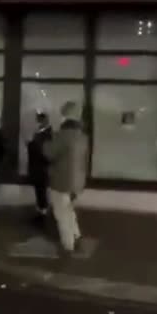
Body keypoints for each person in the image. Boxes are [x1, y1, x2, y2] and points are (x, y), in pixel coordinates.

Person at [41, 101, 89, 254]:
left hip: (61, 181)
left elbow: (49, 153)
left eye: (61, 114)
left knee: (61, 213)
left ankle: (68, 245)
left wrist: (44, 141)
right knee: (69, 210)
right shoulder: (82, 136)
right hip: (76, 182)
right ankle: (76, 236)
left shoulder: (63, 135)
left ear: (65, 116)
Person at [26, 111, 54, 225]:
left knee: (41, 192)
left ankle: (42, 216)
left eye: (39, 119)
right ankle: (40, 213)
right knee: (39, 192)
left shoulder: (47, 134)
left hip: (41, 168)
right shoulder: (40, 133)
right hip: (37, 167)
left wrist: (31, 145)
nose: (37, 121)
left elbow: (45, 153)